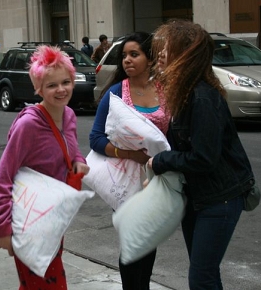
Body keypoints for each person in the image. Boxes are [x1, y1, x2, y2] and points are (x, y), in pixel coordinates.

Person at [147, 19, 255, 290]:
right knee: (204, 274)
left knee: (201, 277)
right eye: (159, 48)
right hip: (197, 198)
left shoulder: (202, 97)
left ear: (186, 55)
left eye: (167, 48)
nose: (160, 54)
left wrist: (160, 161)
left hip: (220, 199)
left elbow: (203, 158)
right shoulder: (184, 94)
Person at [0, 45, 90, 289]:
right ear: (39, 88)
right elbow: (2, 179)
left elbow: (72, 149)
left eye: (66, 82)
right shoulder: (29, 126)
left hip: (54, 217)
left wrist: (79, 162)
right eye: (52, 85)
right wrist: (3, 228)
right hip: (28, 220)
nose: (61, 89)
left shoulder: (69, 115)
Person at [89, 32, 169, 290]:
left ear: (150, 58)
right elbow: (96, 138)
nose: (127, 60)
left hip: (157, 180)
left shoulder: (166, 91)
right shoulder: (115, 93)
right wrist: (129, 154)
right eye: (124, 55)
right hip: (125, 181)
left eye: (134, 54)